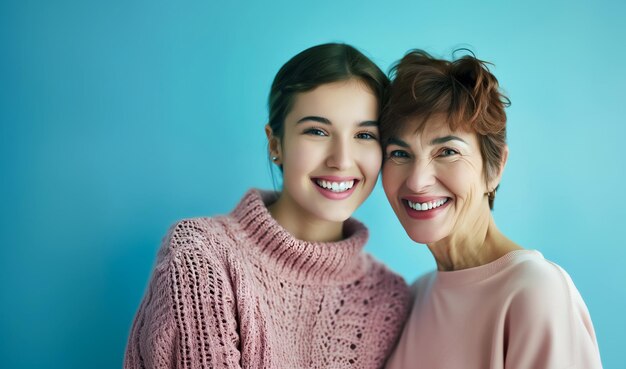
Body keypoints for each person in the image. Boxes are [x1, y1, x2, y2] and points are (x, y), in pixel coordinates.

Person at [124, 43, 411, 369]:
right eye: (317, 131)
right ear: (276, 144)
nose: (341, 160)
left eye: (364, 135)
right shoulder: (202, 254)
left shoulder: (390, 298)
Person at [381, 50, 603, 369]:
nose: (417, 182)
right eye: (400, 153)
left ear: (495, 167)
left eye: (447, 151)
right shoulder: (416, 296)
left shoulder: (535, 291)